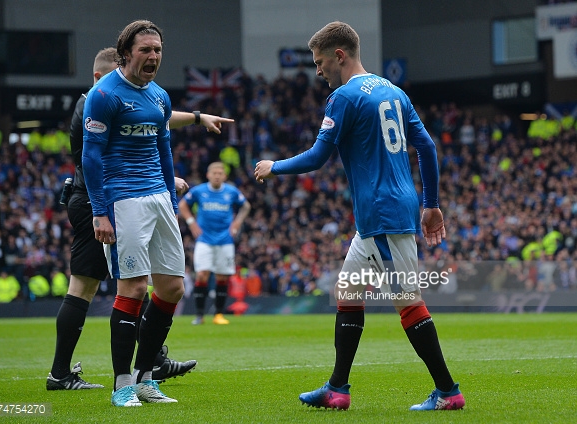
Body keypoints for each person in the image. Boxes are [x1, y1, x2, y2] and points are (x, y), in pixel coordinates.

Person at [254, 21, 465, 411]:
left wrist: (274, 165)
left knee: (407, 302)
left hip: (382, 212)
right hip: (383, 213)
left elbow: (318, 157)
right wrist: (431, 203)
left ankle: (449, 392)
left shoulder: (344, 97)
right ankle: (337, 389)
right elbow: (428, 147)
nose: (317, 71)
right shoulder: (394, 91)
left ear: (339, 55)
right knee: (348, 292)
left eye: (319, 63)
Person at [47, 46, 233, 392]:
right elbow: (124, 137)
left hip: (102, 197)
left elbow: (154, 117)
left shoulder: (118, 99)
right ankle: (70, 374)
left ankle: (152, 360)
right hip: (99, 200)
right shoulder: (96, 102)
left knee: (137, 282)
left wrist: (194, 118)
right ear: (102, 78)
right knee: (101, 286)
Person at [179, 161, 251, 325]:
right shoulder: (199, 191)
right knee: (202, 274)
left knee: (222, 277)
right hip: (204, 240)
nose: (217, 176)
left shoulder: (231, 191)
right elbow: (183, 204)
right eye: (214, 173)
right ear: (208, 175)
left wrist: (237, 223)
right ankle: (199, 315)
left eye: (220, 173)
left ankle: (218, 314)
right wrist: (191, 222)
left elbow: (246, 206)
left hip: (225, 240)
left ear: (225, 176)